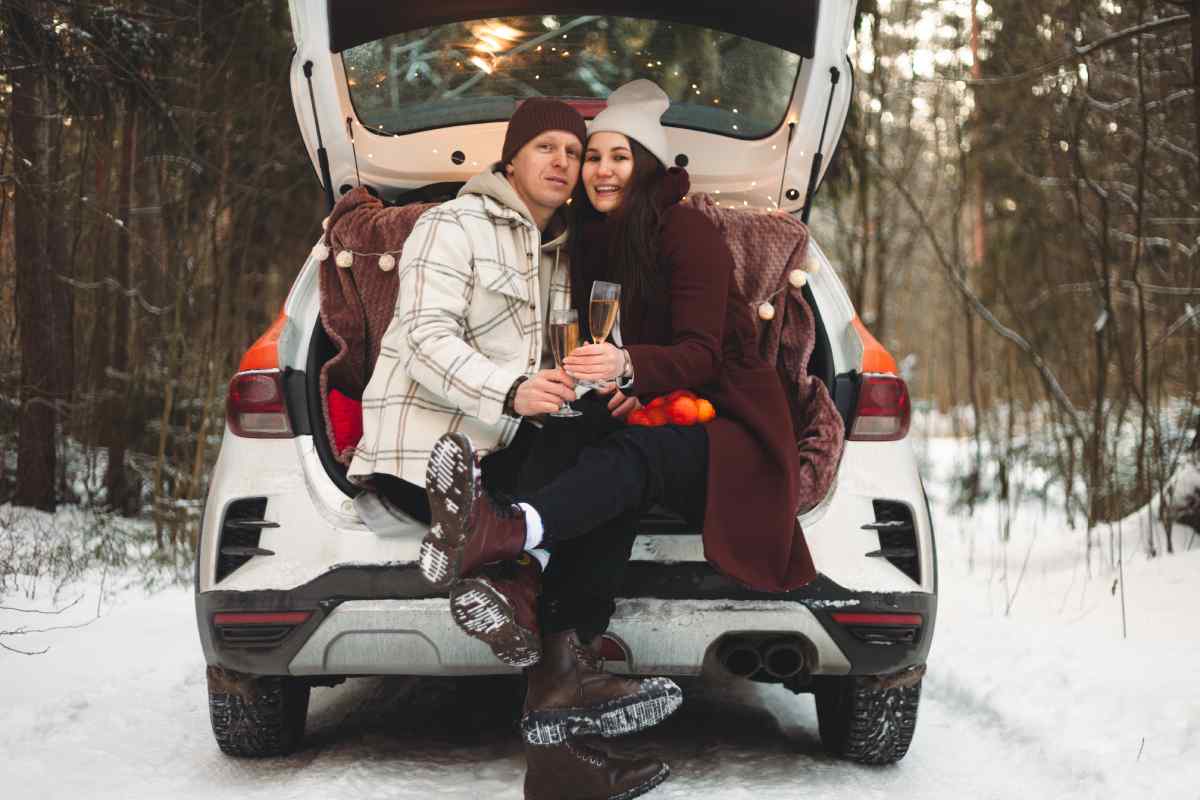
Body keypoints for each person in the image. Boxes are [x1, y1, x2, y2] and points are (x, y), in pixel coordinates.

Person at [421, 80, 816, 800]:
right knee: (576, 450)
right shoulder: (593, 238)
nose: (600, 170)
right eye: (592, 158)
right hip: (655, 410)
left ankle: (512, 537)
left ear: (649, 166)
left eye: (617, 157)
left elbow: (699, 351)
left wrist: (633, 365)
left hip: (729, 428)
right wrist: (607, 384)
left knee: (627, 459)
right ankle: (558, 746)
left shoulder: (687, 232)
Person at [347, 96, 677, 797]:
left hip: (506, 459)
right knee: (592, 492)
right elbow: (425, 335)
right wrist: (510, 390)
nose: (562, 163)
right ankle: (540, 623)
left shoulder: (567, 253)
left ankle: (516, 588)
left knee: (607, 467)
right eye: (545, 148)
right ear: (511, 158)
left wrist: (612, 385)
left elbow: (567, 363)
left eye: (573, 150)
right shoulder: (451, 225)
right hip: (433, 456)